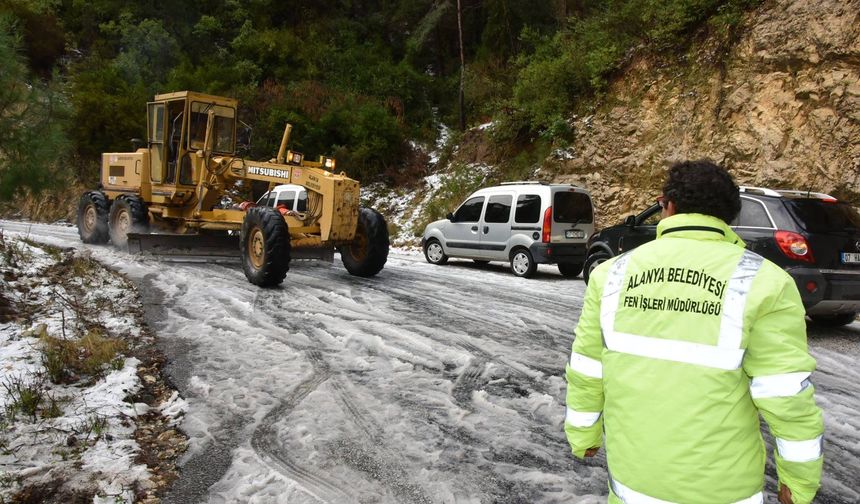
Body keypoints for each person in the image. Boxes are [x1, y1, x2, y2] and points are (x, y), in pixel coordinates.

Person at [564, 160, 824, 504]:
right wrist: (799, 479)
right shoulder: (766, 282)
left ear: (666, 205)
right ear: (729, 216)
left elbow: (587, 368)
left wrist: (583, 433)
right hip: (725, 491)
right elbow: (786, 394)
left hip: (633, 485)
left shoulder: (610, 274)